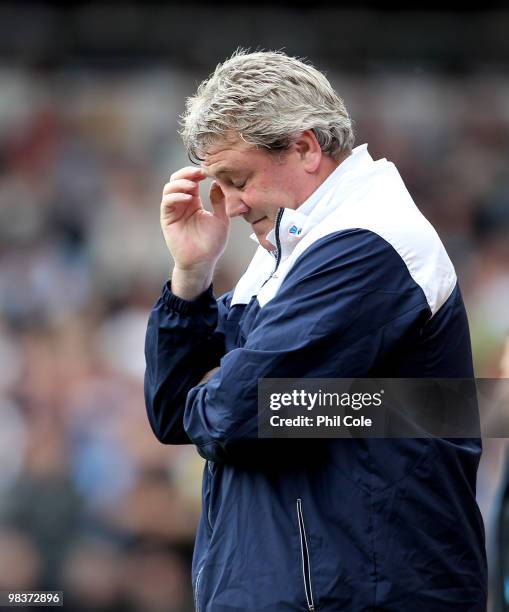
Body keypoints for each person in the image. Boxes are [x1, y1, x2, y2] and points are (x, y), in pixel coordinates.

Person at [144, 50, 487, 611]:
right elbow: (171, 412)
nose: (228, 206)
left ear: (305, 147)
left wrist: (256, 401)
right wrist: (191, 274)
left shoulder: (370, 240)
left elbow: (235, 413)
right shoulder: (290, 245)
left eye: (238, 179)